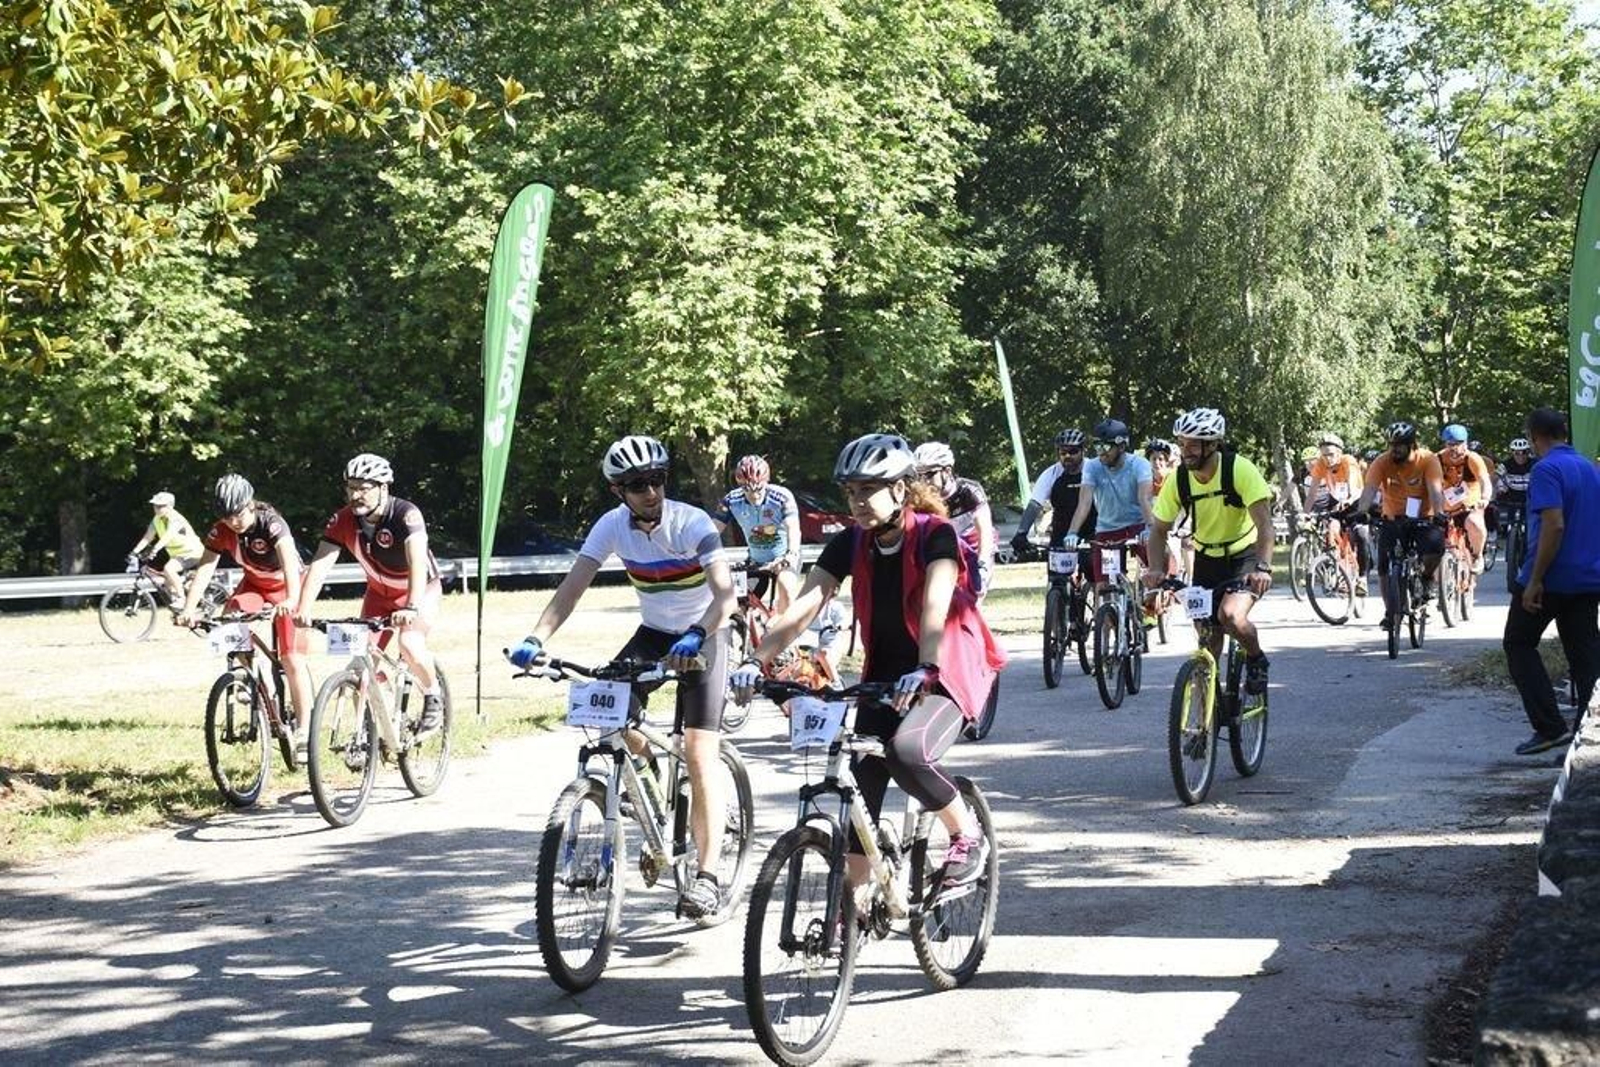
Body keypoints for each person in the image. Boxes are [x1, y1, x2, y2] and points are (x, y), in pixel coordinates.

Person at [730, 433, 1005, 890]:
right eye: (851, 491)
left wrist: (926, 667)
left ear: (899, 489)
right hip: (884, 675)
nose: (856, 502)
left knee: (906, 752)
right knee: (862, 785)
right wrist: (756, 660)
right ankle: (850, 912)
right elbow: (802, 610)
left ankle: (966, 834)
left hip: (944, 668)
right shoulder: (850, 543)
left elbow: (935, 607)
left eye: (868, 489)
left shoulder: (935, 535)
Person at [508, 435, 737, 918]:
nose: (650, 491)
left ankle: (709, 877)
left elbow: (726, 597)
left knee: (699, 752)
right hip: (653, 634)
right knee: (610, 718)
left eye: (657, 480)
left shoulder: (691, 523)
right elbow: (572, 589)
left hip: (704, 635)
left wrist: (698, 632)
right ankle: (650, 781)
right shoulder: (612, 527)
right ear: (618, 491)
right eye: (637, 484)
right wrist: (536, 638)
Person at [295, 453, 447, 731]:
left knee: (410, 645)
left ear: (383, 488)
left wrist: (411, 606)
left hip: (420, 590)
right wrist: (303, 609)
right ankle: (374, 733)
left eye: (363, 488)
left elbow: (416, 562)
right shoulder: (342, 520)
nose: (355, 495)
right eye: (351, 487)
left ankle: (433, 696)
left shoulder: (405, 514)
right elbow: (319, 565)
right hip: (379, 594)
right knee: (359, 667)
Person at [1143, 408, 1275, 693]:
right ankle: (1205, 719)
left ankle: (1256, 658)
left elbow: (1265, 525)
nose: (1185, 450)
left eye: (1192, 444)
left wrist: (1263, 567)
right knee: (1207, 638)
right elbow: (1157, 530)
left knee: (1231, 616)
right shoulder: (1178, 479)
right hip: (1206, 559)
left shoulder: (1239, 470)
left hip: (1244, 555)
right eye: (1181, 443)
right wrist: (1155, 569)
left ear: (1212, 444)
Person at [177, 475, 313, 746]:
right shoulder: (222, 530)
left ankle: (305, 730)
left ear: (250, 504)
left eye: (237, 515)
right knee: (230, 621)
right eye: (226, 517)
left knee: (291, 658)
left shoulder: (271, 523)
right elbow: (206, 568)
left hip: (289, 586)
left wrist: (292, 600)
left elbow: (290, 565)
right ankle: (255, 680)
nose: (233, 522)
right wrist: (189, 608)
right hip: (254, 584)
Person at [1504, 409, 1600, 755]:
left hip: (1552, 578)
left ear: (1535, 437)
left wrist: (1535, 579)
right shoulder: (1590, 468)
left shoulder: (1545, 469)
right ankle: (1586, 737)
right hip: (1589, 577)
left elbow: (1553, 525)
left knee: (1518, 643)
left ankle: (1549, 728)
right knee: (1586, 657)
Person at [1358, 421, 1446, 630]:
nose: (1394, 449)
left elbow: (1435, 490)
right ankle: (1391, 612)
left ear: (1411, 445)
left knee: (1435, 548)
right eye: (1391, 445)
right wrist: (1362, 511)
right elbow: (1369, 489)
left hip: (1423, 516)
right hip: (1393, 517)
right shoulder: (1382, 462)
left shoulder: (1427, 459)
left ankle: (1425, 579)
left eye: (1399, 445)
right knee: (1384, 566)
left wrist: (1439, 513)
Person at [712, 454, 802, 614]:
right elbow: (712, 532)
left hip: (783, 558)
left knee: (786, 590)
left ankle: (783, 635)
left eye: (758, 488)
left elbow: (793, 529)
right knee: (737, 601)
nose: (754, 495)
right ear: (740, 485)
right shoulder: (731, 501)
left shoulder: (782, 497)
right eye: (747, 488)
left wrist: (791, 554)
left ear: (766, 482)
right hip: (756, 561)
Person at [1060, 418, 1155, 557]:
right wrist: (1072, 533)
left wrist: (1151, 528)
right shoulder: (1092, 466)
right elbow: (1084, 503)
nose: (1101, 452)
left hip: (1138, 525)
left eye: (1105, 447)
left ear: (1121, 447)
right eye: (1098, 447)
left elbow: (1144, 498)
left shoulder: (1140, 464)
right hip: (1107, 528)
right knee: (1103, 578)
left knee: (1157, 566)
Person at [914, 441, 996, 596]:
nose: (923, 482)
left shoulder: (969, 491)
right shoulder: (921, 498)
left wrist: (983, 563)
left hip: (973, 546)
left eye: (929, 475)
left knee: (973, 595)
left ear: (947, 471)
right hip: (946, 547)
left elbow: (984, 531)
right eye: (919, 476)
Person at [1306, 433, 1372, 595]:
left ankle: (1363, 578)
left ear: (1339, 452)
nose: (1327, 459)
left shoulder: (1348, 461)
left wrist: (1348, 499)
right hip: (1337, 503)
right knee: (1331, 531)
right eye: (1324, 455)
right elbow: (1312, 492)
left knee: (1361, 534)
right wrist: (1305, 513)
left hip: (1356, 501)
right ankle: (1339, 571)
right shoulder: (1321, 464)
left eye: (1331, 454)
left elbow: (1353, 487)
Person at [1012, 429, 1096, 558]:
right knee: (1057, 577)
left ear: (1083, 451)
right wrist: (1021, 532)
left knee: (1096, 575)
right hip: (1061, 533)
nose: (1067, 456)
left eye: (1073, 451)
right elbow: (1035, 504)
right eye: (1063, 452)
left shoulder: (1094, 469)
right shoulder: (1051, 474)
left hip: (1093, 532)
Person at [1425, 424, 1493, 574]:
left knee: (1474, 523)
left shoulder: (1473, 459)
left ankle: (1477, 555)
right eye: (1450, 444)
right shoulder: (1437, 460)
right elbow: (1428, 484)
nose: (1454, 448)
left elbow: (1484, 481)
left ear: (1465, 443)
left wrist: (1485, 498)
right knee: (1429, 535)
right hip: (1445, 508)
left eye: (1458, 444)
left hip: (1469, 506)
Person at [127, 491, 206, 604]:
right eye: (155, 506)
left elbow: (168, 536)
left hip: (192, 552)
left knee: (169, 569)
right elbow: (147, 537)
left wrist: (155, 549)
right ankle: (185, 604)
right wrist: (134, 552)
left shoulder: (176, 519)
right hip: (178, 555)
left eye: (160, 506)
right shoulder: (156, 520)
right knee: (168, 584)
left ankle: (181, 599)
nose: (157, 509)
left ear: (170, 506)